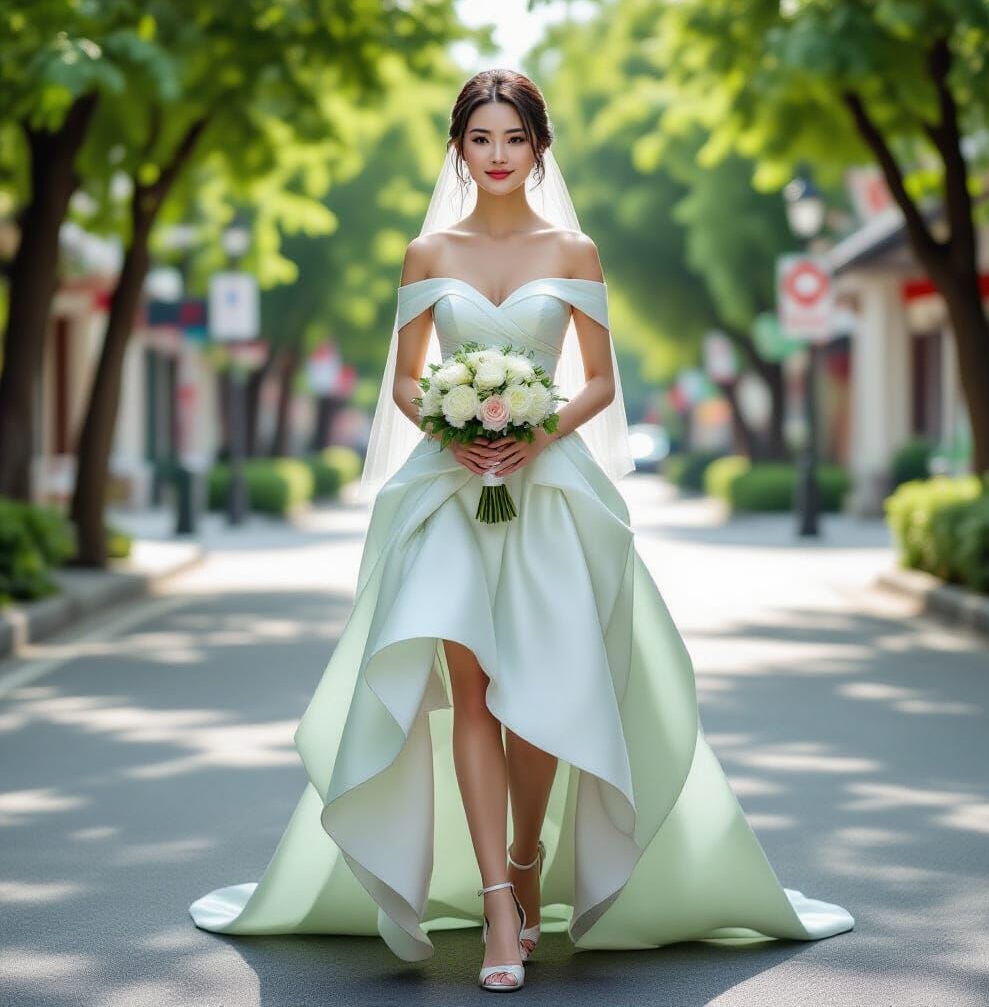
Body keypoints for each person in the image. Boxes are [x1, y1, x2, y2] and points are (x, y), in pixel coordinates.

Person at [189, 68, 854, 993]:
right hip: (449, 497)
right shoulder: (428, 254)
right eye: (479, 140)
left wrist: (534, 430)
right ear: (458, 149)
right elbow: (405, 381)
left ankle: (531, 854)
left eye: (513, 139)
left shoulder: (574, 250)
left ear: (539, 146)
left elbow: (599, 383)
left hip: (548, 493)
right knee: (471, 692)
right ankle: (501, 905)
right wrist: (456, 432)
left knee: (537, 690)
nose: (497, 156)